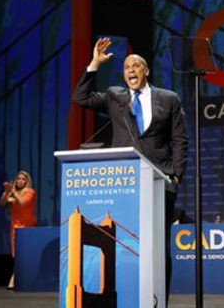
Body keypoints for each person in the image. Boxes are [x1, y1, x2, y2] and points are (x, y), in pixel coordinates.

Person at [73, 37, 188, 301]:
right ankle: (124, 299)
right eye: (126, 67)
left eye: (136, 66)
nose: (131, 71)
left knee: (158, 247)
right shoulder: (115, 96)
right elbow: (81, 97)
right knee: (122, 244)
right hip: (124, 181)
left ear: (146, 71)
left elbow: (180, 139)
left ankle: (159, 300)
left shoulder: (169, 99)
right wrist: (94, 63)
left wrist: (177, 174)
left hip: (161, 181)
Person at [0, 170, 37, 290]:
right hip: (15, 228)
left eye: (23, 179)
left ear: (27, 181)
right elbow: (3, 203)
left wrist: (13, 191)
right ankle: (16, 279)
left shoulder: (30, 192)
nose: (20, 181)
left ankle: (13, 280)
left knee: (23, 256)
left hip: (27, 229)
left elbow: (23, 203)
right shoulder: (13, 192)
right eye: (19, 179)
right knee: (16, 256)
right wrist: (6, 192)